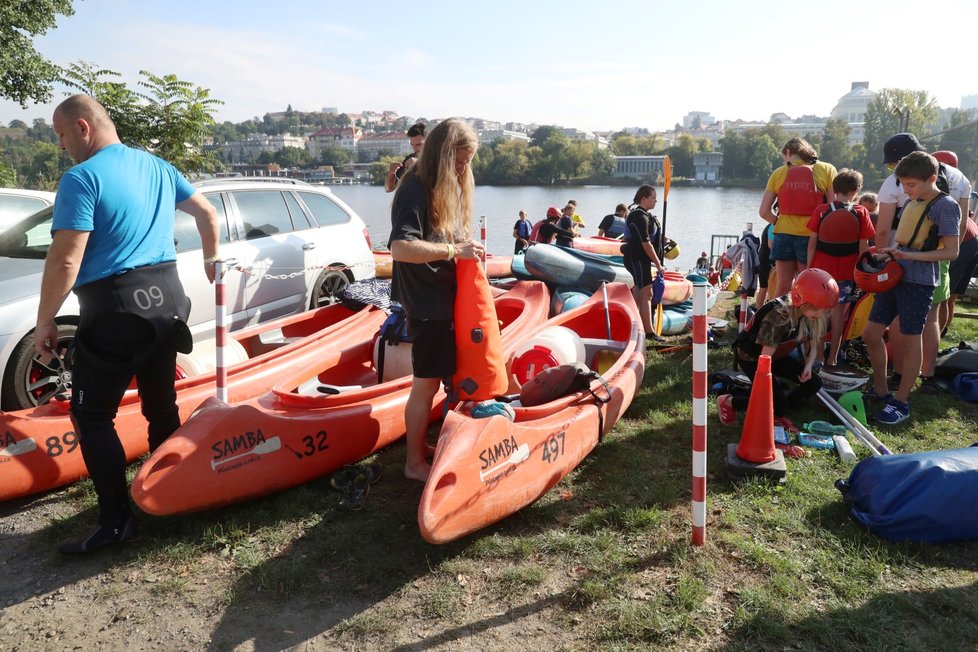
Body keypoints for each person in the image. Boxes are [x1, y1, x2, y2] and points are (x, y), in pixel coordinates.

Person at [35, 94, 220, 554]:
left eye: (60, 135)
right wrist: (213, 257)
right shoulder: (156, 166)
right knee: (160, 405)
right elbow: (207, 213)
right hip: (168, 300)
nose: (61, 146)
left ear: (82, 127)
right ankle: (170, 494)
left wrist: (45, 321)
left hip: (116, 308)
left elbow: (65, 261)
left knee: (92, 414)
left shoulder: (81, 178)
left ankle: (118, 522)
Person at [388, 117, 484, 481]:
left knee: (436, 377)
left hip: (439, 298)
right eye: (458, 162)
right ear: (442, 156)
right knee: (425, 382)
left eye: (467, 163)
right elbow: (399, 247)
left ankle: (421, 447)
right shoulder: (414, 188)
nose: (462, 169)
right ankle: (413, 464)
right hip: (425, 302)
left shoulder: (437, 185)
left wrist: (465, 249)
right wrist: (452, 250)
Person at [862, 152, 960, 425]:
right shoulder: (913, 201)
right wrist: (889, 253)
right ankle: (881, 389)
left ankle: (901, 401)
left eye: (911, 184)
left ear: (931, 179)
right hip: (895, 274)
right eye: (903, 184)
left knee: (910, 337)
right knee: (871, 333)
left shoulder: (946, 206)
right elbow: (906, 241)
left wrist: (910, 257)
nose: (906, 190)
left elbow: (952, 252)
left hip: (919, 281)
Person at [718, 268, 838, 431]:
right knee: (776, 401)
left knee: (814, 383)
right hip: (752, 357)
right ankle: (729, 401)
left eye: (824, 309)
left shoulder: (813, 316)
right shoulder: (779, 316)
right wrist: (769, 389)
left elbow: (813, 347)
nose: (821, 313)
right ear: (800, 299)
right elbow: (764, 359)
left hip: (775, 356)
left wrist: (809, 366)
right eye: (817, 308)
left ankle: (780, 408)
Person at [806, 169, 875, 366]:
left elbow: (812, 243)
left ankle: (818, 355)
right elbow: (864, 246)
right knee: (838, 316)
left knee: (819, 315)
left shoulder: (821, 210)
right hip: (847, 273)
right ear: (857, 190)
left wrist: (809, 268)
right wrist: (862, 272)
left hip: (821, 273)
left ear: (834, 189)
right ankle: (833, 357)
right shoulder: (861, 212)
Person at [759, 138, 838, 298]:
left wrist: (779, 222)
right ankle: (806, 321)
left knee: (782, 287)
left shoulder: (778, 173)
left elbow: (764, 212)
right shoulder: (827, 170)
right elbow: (833, 209)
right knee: (808, 284)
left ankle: (778, 321)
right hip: (810, 237)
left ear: (788, 153)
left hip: (783, 236)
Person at [622, 184, 665, 339]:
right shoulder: (638, 216)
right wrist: (658, 264)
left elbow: (650, 239)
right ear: (644, 198)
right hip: (637, 259)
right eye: (653, 198)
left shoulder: (645, 215)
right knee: (647, 293)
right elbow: (645, 244)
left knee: (640, 293)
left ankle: (633, 326)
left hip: (642, 259)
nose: (656, 201)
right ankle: (649, 332)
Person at [384, 122, 426, 193]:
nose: (415, 149)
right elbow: (388, 189)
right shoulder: (409, 159)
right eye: (412, 145)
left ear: (428, 140)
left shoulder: (438, 158)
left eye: (418, 144)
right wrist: (391, 173)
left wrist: (420, 163)